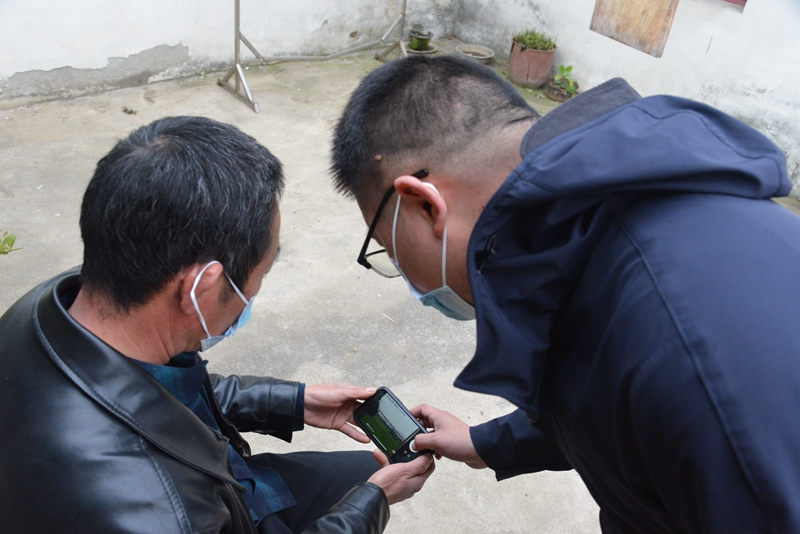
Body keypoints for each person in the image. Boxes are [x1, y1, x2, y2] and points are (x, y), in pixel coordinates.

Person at [330, 55, 800, 533]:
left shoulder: (691, 356)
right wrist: (486, 443)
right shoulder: (578, 236)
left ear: (427, 205)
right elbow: (602, 399)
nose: (404, 275)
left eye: (389, 249)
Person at [0, 116, 434, 534]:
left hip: (228, 482)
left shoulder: (59, 304)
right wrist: (370, 505)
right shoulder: (165, 514)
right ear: (201, 290)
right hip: (213, 502)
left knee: (365, 471)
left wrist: (295, 402)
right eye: (262, 273)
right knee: (371, 485)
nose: (255, 291)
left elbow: (166, 397)